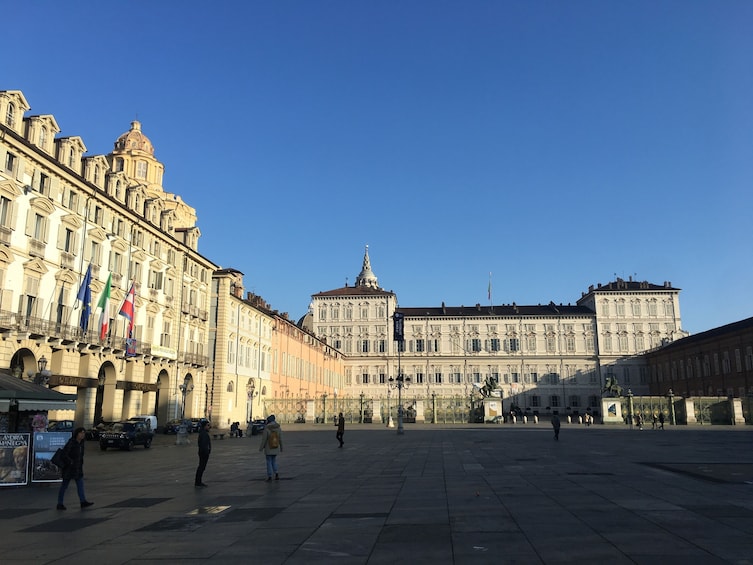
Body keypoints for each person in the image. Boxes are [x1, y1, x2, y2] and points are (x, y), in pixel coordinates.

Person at [57, 427, 93, 510]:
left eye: (84, 433)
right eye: (81, 433)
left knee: (80, 485)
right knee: (64, 486)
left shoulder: (81, 444)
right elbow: (64, 454)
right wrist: (71, 462)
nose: (82, 435)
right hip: (69, 468)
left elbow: (80, 456)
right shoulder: (72, 442)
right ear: (77, 434)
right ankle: (60, 503)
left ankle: (83, 501)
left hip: (78, 468)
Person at [259, 414, 283, 481]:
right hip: (275, 447)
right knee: (274, 461)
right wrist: (281, 447)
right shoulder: (278, 428)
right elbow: (280, 439)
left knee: (268, 461)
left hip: (268, 448)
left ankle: (269, 475)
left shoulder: (267, 428)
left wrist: (261, 448)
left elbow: (264, 439)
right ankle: (276, 473)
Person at [195, 420, 211, 487]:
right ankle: (198, 482)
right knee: (201, 467)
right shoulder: (204, 434)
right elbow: (204, 444)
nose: (209, 427)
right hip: (204, 453)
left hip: (202, 452)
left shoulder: (202, 433)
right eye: (208, 425)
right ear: (204, 426)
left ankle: (198, 481)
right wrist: (206, 452)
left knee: (201, 467)